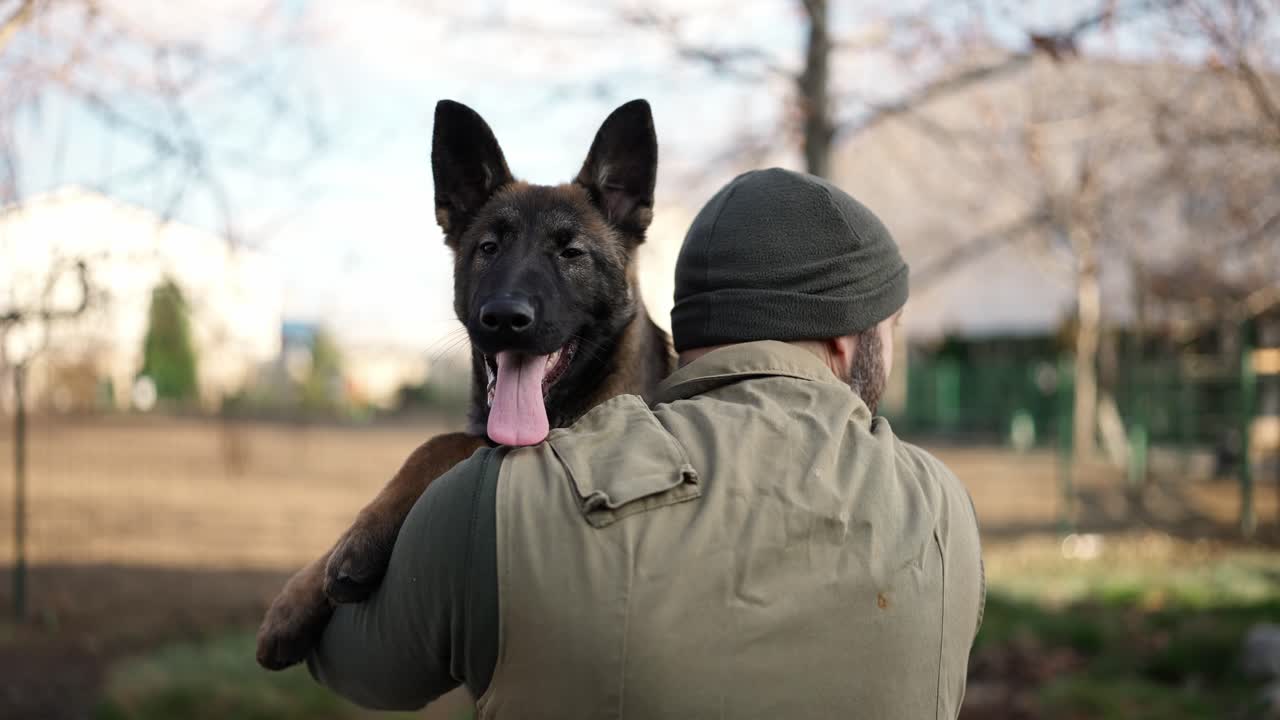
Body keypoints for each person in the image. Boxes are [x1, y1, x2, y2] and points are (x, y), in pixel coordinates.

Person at [307, 167, 985, 719]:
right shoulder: (944, 513)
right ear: (846, 345)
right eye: (891, 329)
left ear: (689, 336)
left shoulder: (495, 502)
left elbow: (350, 664)